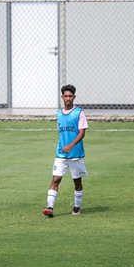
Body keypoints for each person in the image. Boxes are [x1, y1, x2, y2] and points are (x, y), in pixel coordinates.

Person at [43, 84, 88, 218]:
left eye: (70, 96)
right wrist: (64, 146)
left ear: (74, 97)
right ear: (62, 97)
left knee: (77, 182)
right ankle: (50, 208)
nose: (68, 98)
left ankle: (77, 207)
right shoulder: (59, 114)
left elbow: (82, 133)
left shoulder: (79, 113)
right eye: (66, 96)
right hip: (61, 154)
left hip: (76, 154)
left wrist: (71, 145)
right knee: (56, 179)